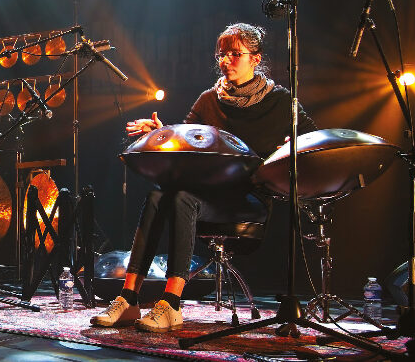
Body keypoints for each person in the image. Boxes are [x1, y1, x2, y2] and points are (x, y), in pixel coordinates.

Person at [91, 23, 316, 332]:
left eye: (234, 54)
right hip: (210, 195)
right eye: (221, 54)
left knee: (182, 199)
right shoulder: (209, 100)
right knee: (158, 195)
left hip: (249, 198)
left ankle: (171, 304)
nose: (225, 61)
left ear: (255, 58)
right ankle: (128, 298)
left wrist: (292, 146)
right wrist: (161, 134)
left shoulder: (280, 101)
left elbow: (312, 139)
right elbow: (187, 142)